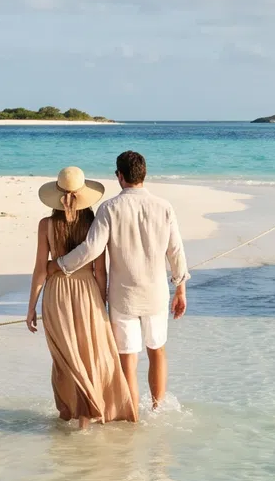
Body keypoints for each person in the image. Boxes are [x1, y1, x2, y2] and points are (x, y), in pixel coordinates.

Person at [56, 149, 188, 412]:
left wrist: (59, 265)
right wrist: (180, 289)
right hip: (156, 294)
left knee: (128, 360)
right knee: (157, 351)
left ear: (119, 176)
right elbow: (176, 250)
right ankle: (157, 409)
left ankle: (132, 417)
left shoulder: (109, 208)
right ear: (144, 174)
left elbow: (92, 249)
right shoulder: (164, 207)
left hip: (123, 296)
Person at [25, 167, 138, 428]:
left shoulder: (46, 225)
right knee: (89, 357)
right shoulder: (94, 223)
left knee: (64, 360)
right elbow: (100, 270)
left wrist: (31, 307)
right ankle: (88, 415)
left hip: (56, 295)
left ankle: (69, 415)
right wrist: (102, 304)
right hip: (87, 293)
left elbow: (40, 270)